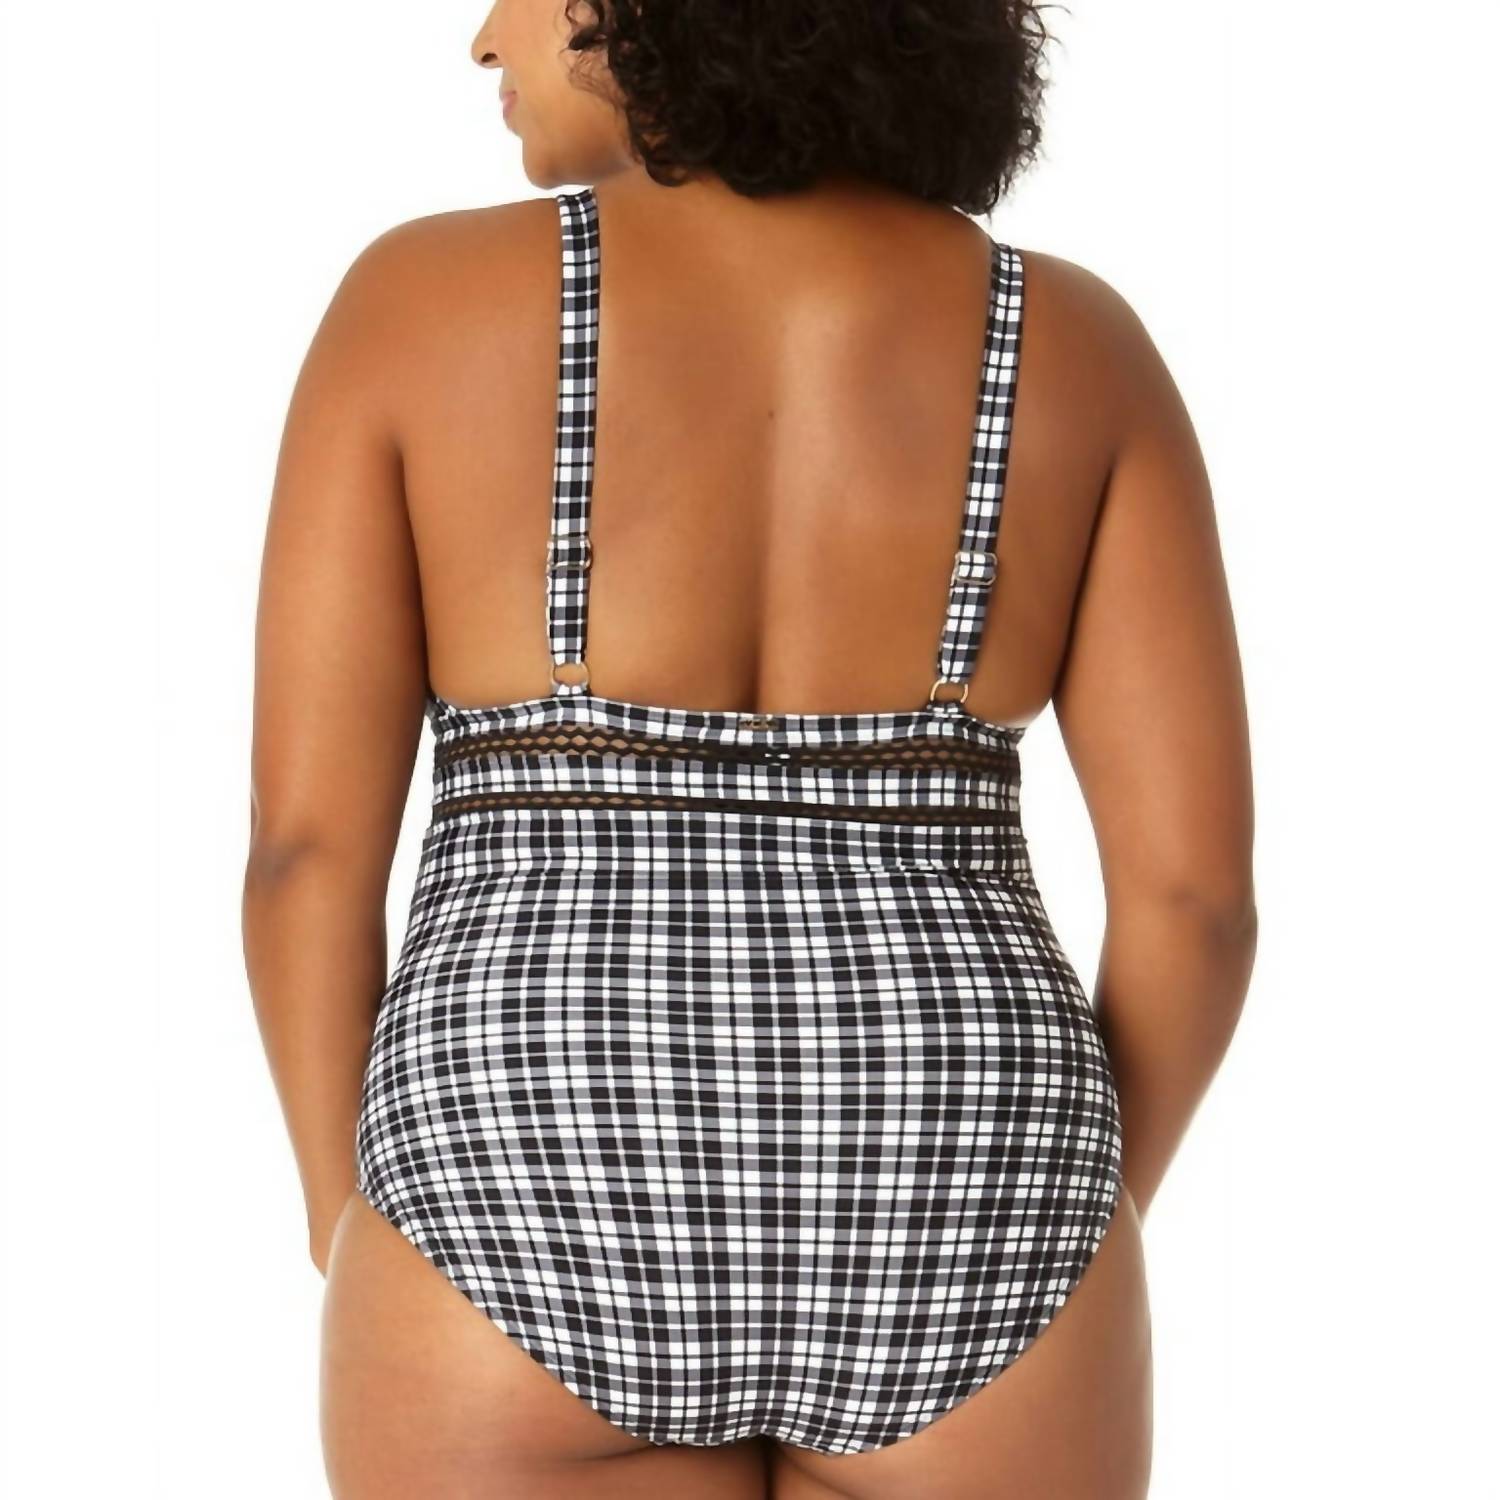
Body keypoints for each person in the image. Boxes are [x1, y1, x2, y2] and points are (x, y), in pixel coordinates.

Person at [242, 3, 1256, 1496]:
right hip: (963, 1155)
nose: (482, 38)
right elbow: (1196, 906)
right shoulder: (1072, 342)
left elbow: (306, 856)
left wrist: (358, 1224)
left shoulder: (417, 304)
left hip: (522, 1153)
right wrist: (1062, 1224)